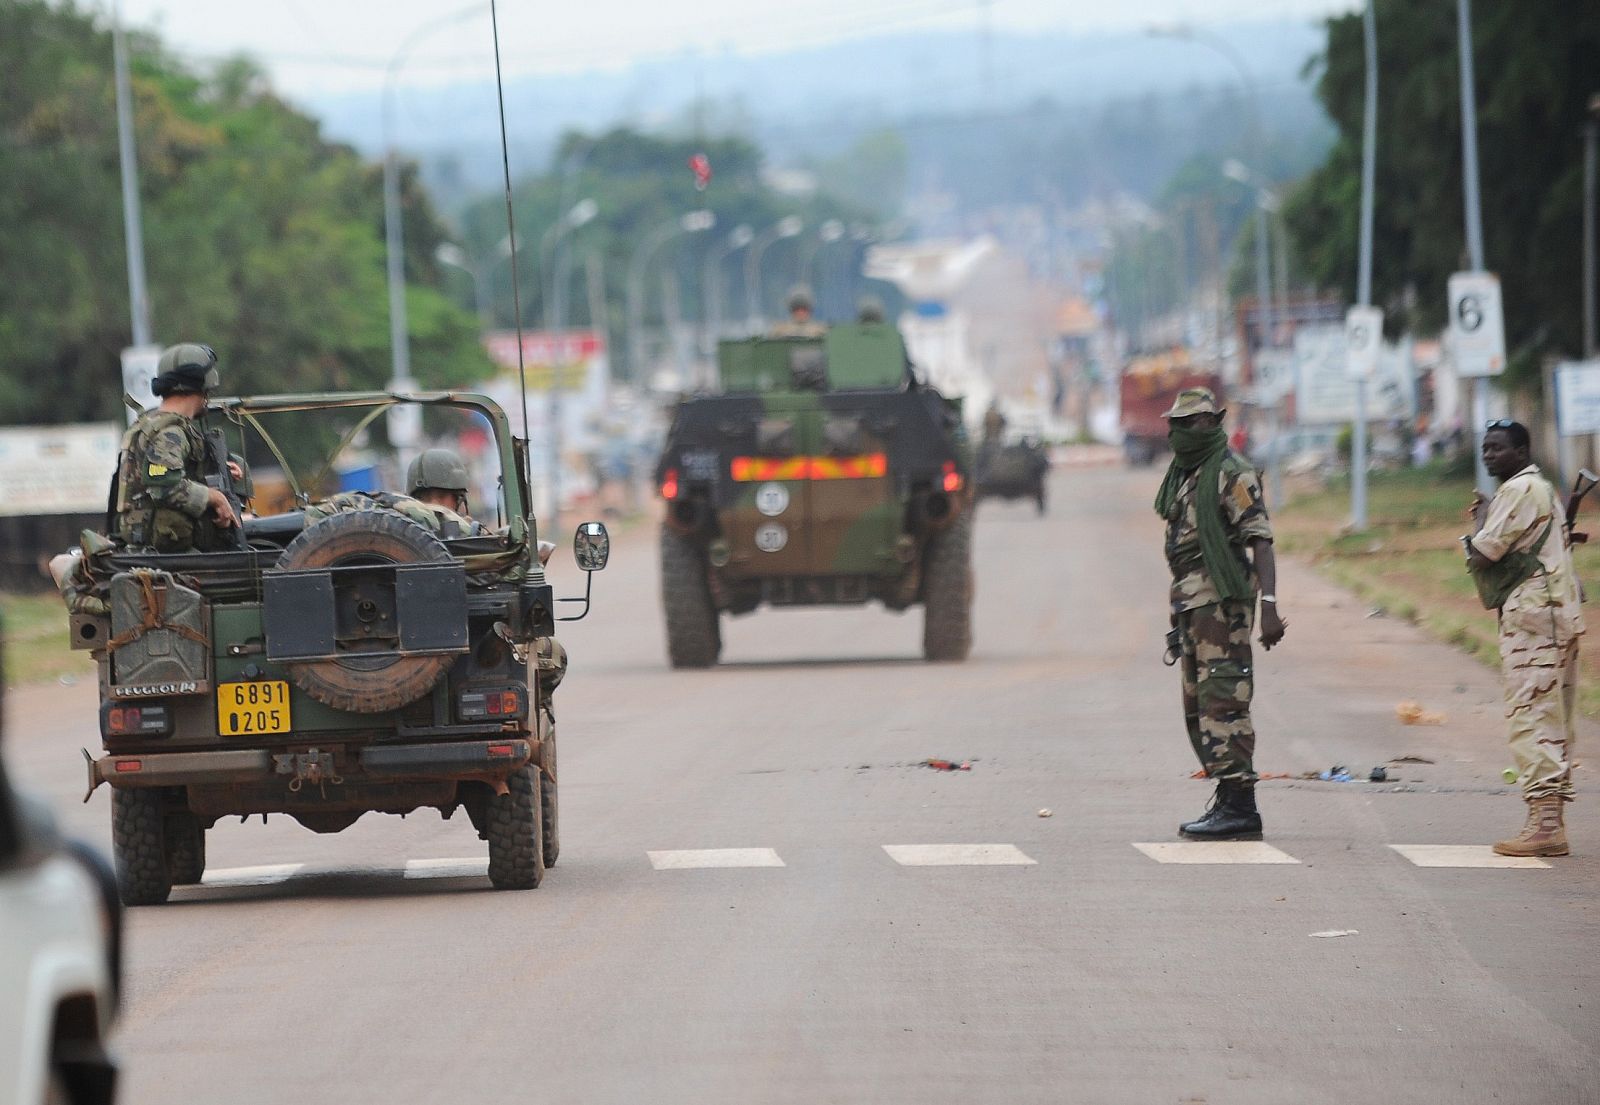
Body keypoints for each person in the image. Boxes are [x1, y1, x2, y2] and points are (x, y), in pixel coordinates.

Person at [1155, 387, 1286, 839]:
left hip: (1223, 603)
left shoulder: (1231, 471)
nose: (1188, 430)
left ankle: (1241, 807)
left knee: (1226, 702)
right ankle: (1228, 799)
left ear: (1213, 423)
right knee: (1200, 704)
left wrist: (1268, 606)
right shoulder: (1186, 473)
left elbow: (1260, 540)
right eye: (1181, 423)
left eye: (1197, 422)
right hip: (1192, 604)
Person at [1465, 420, 1582, 856]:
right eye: (1485, 448)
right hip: (1554, 616)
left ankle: (1545, 824)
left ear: (1522, 450)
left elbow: (1483, 553)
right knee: (1552, 718)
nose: (1489, 455)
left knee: (1531, 716)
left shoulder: (1517, 492)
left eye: (1498, 448)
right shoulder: (1542, 489)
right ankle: (1551, 821)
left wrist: (1480, 519)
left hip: (1535, 622)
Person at [112, 343, 238, 552]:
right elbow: (164, 486)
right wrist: (214, 498)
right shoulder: (171, 433)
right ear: (201, 386)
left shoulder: (149, 423)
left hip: (151, 543)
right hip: (171, 550)